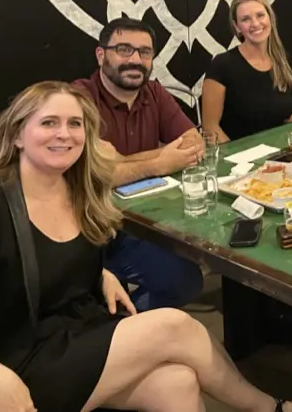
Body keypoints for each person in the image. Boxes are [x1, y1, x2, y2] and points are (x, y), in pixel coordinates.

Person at [0, 81, 292, 412]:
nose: (65, 134)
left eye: (75, 124)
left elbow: (52, 258)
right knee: (173, 325)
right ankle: (269, 407)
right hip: (7, 366)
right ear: (16, 136)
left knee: (179, 382)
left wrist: (100, 273)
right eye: (48, 123)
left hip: (71, 333)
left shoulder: (80, 194)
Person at [73, 17, 204, 311]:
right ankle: (108, 324)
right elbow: (95, 173)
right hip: (89, 230)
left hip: (139, 222)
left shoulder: (154, 92)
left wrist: (120, 162)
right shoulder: (79, 98)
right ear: (101, 55)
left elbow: (194, 144)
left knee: (185, 279)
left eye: (144, 52)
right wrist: (158, 162)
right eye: (124, 49)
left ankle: (121, 320)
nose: (135, 60)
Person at [202, 0, 292, 142]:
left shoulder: (282, 60)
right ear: (237, 27)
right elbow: (210, 128)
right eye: (246, 19)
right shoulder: (221, 65)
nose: (255, 24)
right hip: (238, 156)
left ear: (270, 18)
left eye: (260, 15)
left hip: (282, 152)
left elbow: (291, 116)